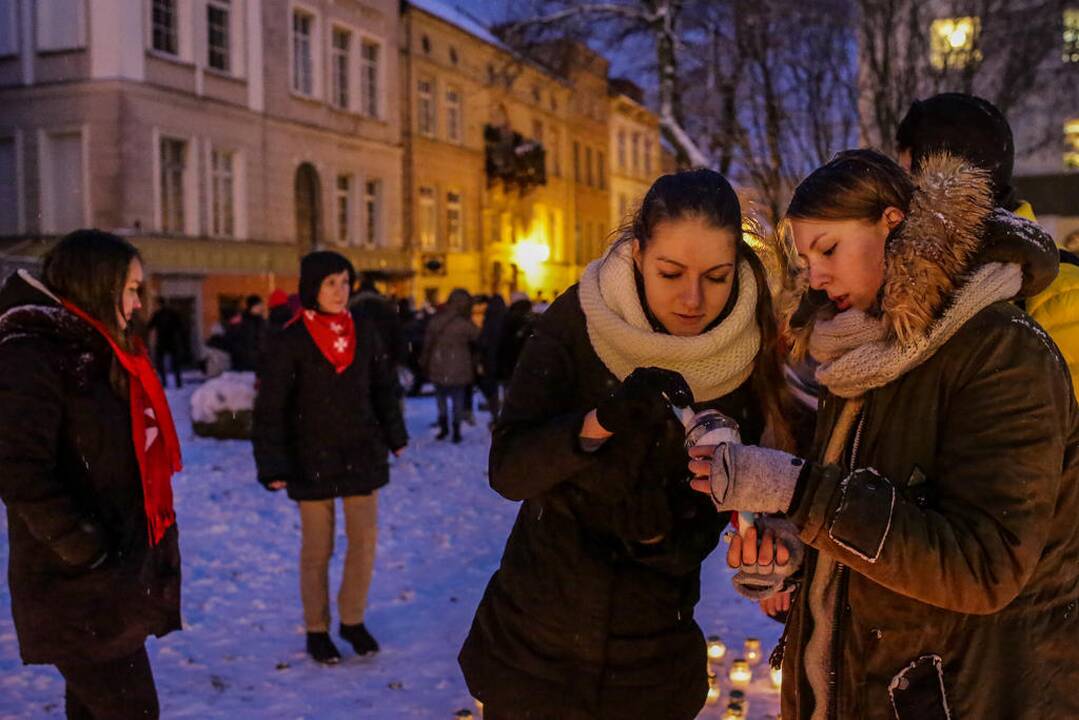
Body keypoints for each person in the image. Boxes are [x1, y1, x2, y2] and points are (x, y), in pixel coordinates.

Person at [689, 150, 1079, 719]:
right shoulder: (856, 353)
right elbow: (877, 512)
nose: (815, 276)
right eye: (805, 259)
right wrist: (793, 551)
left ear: (892, 225)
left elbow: (983, 566)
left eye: (829, 249)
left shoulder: (1002, 350)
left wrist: (796, 492)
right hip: (864, 687)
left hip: (971, 690)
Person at [459, 169, 800, 719]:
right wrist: (599, 422)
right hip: (535, 648)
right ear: (639, 254)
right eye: (671, 273)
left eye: (716, 276)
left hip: (653, 657)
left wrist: (764, 545)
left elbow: (775, 493)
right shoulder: (582, 319)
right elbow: (509, 471)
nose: (693, 299)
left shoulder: (753, 345)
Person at [0, 230, 183, 719]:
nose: (138, 303)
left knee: (92, 710)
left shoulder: (103, 351)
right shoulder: (32, 353)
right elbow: (17, 466)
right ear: (97, 284)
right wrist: (82, 544)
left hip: (111, 578)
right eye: (130, 288)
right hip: (76, 582)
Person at [253, 251, 408, 665]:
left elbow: (383, 387)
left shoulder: (365, 330)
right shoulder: (290, 339)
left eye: (344, 282)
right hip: (310, 457)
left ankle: (352, 620)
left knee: (364, 543)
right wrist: (272, 464)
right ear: (312, 289)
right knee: (316, 549)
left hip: (361, 453)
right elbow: (271, 408)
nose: (340, 292)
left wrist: (395, 435)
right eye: (330, 284)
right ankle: (317, 628)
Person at [896, 92, 1079, 397]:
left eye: (905, 175)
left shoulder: (1063, 291)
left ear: (944, 182)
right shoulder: (915, 286)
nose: (899, 194)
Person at [420, 288, 480, 443]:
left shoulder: (437, 320)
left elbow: (427, 344)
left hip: (438, 364)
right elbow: (477, 337)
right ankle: (456, 429)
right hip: (460, 365)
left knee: (440, 398)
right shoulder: (464, 324)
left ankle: (443, 427)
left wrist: (424, 361)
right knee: (458, 398)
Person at [475, 293, 507, 426]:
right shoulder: (507, 319)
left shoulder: (488, 320)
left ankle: (495, 416)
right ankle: (506, 416)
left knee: (493, 390)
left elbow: (483, 342)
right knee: (506, 389)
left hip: (491, 360)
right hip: (505, 361)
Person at [148, 298, 186, 389]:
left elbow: (149, 326)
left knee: (161, 363)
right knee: (175, 363)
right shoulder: (172, 313)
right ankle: (178, 382)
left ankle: (165, 382)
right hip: (171, 341)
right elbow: (180, 326)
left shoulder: (158, 314)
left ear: (159, 304)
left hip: (163, 341)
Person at [229, 294, 267, 373]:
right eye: (258, 305)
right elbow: (234, 341)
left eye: (261, 305)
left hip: (260, 364)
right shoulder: (241, 320)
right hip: (243, 365)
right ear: (251, 306)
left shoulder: (262, 321)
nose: (261, 308)